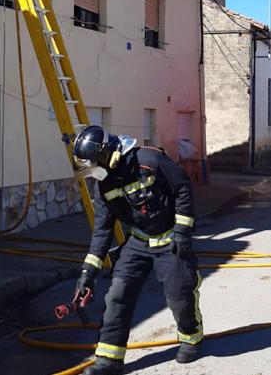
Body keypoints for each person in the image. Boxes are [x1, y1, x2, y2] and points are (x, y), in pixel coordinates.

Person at [71, 125, 203, 375]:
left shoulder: (149, 160)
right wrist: (88, 272)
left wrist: (183, 231)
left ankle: (191, 338)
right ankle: (109, 360)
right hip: (138, 242)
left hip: (169, 238)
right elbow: (102, 231)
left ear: (105, 155)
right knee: (117, 296)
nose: (92, 174)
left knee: (179, 294)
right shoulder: (104, 186)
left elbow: (183, 187)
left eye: (92, 166)